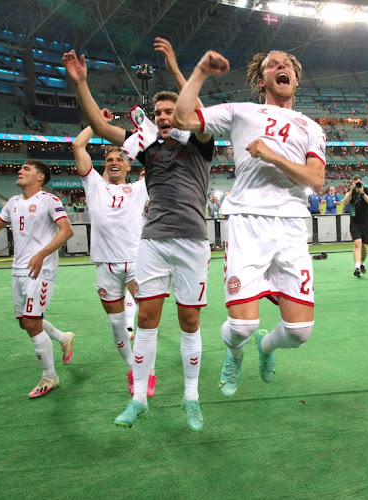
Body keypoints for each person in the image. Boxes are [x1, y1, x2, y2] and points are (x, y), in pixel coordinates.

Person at [62, 37, 215, 431]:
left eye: (170, 111)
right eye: (160, 112)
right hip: (152, 242)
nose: (165, 116)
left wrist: (178, 69)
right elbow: (99, 126)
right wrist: (80, 83)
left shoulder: (200, 142)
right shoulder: (147, 148)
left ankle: (191, 396)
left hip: (193, 241)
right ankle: (139, 397)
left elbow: (194, 108)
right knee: (146, 319)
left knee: (189, 321)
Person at [172, 48, 326, 399]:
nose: (281, 66)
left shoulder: (311, 127)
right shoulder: (241, 111)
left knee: (300, 333)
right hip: (247, 221)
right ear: (263, 80)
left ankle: (266, 348)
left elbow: (315, 180)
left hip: (291, 227)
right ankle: (235, 351)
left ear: (296, 79)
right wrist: (199, 71)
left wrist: (271, 155)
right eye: (273, 64)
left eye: (287, 63)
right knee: (242, 325)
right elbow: (182, 118)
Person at [0, 160, 76, 398]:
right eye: (20, 168)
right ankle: (63, 337)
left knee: (31, 321)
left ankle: (50, 377)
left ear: (40, 177)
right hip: (18, 270)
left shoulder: (49, 200)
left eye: (26, 169)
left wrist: (41, 254)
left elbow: (66, 231)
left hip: (41, 269)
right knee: (25, 323)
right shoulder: (13, 202)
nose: (20, 171)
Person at [72, 112, 155, 396]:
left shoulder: (140, 188)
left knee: (146, 319)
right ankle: (133, 368)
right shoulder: (94, 186)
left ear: (129, 166)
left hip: (136, 261)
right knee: (117, 325)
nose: (114, 162)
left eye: (120, 159)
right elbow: (78, 147)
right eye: (109, 160)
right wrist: (95, 125)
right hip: (105, 264)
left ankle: (148, 373)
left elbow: (157, 159)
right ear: (104, 167)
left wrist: (142, 129)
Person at [342, 175, 368, 277]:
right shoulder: (351, 192)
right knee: (357, 244)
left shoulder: (367, 191)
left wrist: (362, 193)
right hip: (355, 222)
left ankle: (362, 264)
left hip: (366, 222)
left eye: (359, 183)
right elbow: (344, 202)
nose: (358, 185)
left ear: (362, 183)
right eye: (356, 183)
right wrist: (351, 191)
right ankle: (357, 267)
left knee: (365, 247)